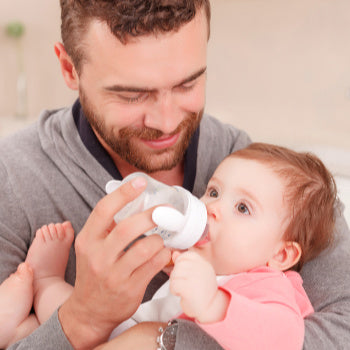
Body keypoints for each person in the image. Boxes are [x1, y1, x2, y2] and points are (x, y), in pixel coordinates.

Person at [0, 1, 349, 349]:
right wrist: (83, 318)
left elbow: (341, 329)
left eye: (187, 84)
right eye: (133, 95)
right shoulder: (13, 180)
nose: (166, 122)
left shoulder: (266, 175)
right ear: (68, 68)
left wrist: (159, 340)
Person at [0, 142, 336, 350]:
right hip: (125, 333)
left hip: (143, 339)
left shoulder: (268, 285)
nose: (212, 208)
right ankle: (40, 292)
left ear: (281, 254)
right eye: (215, 192)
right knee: (80, 312)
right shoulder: (200, 258)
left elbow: (284, 339)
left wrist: (214, 303)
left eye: (243, 208)